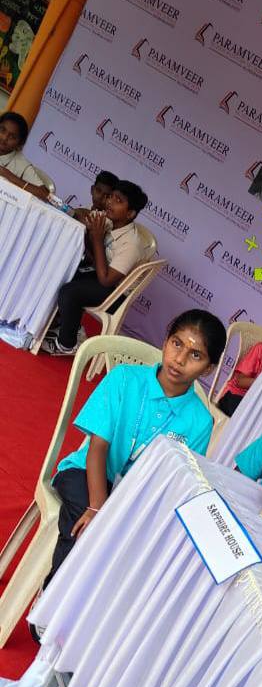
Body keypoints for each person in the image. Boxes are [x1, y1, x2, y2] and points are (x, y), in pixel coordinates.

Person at [43, 310, 225, 586]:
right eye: (177, 343)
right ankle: (51, 598)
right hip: (86, 473)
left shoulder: (200, 422)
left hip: (134, 497)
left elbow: (172, 479)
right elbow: (98, 447)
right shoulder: (124, 378)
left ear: (208, 369)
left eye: (196, 355)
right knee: (87, 525)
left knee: (133, 549)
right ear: (166, 341)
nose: (180, 359)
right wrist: (97, 508)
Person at [43, 180, 149, 356]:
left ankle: (67, 345)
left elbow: (106, 280)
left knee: (70, 292)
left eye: (118, 201)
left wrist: (97, 238)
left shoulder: (131, 244)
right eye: (111, 197)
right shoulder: (109, 221)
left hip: (116, 294)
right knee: (61, 271)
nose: (110, 202)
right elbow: (82, 219)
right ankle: (66, 326)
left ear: (130, 214)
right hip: (100, 275)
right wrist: (90, 231)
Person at [0, 111, 49, 199]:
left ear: (20, 143)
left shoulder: (22, 164)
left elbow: (45, 194)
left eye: (12, 137)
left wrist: (8, 176)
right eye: (2, 130)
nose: (4, 138)